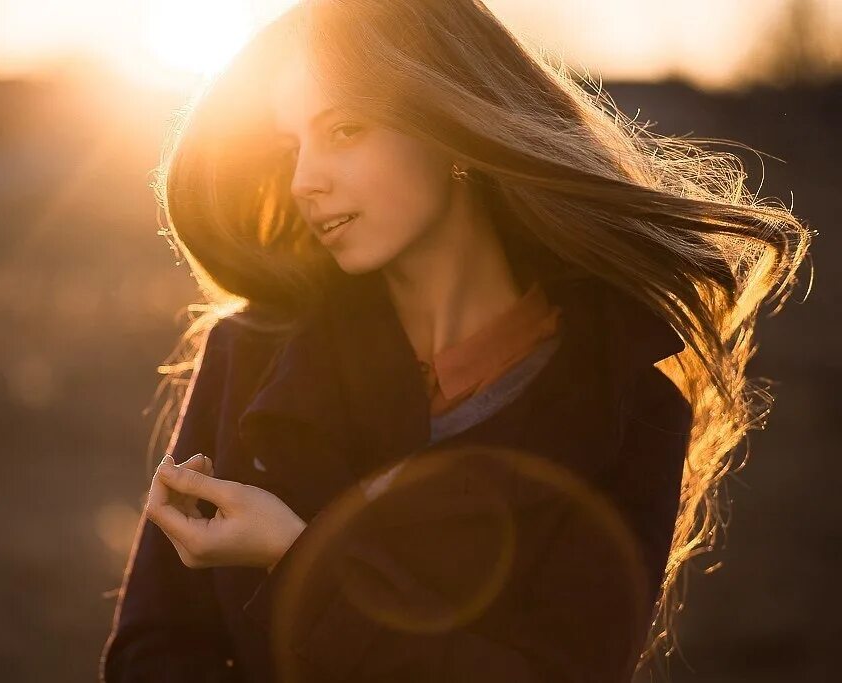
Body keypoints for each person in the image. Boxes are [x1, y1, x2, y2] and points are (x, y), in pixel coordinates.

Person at [99, 1, 813, 681]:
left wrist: (298, 560)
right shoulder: (249, 354)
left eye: (344, 130)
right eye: (291, 147)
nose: (304, 180)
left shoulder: (628, 405)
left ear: (447, 128)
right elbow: (152, 652)